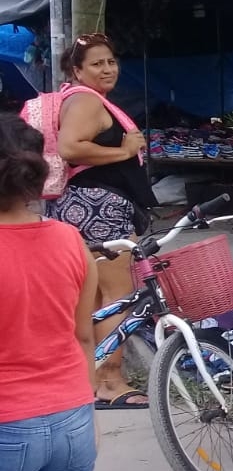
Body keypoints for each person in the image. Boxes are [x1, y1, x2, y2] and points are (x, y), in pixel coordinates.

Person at [0, 113, 122, 471]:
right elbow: (82, 335)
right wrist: (84, 408)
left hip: (6, 424)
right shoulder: (70, 241)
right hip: (69, 419)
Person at [46, 33, 156, 410]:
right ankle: (110, 380)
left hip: (83, 205)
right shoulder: (84, 101)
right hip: (98, 207)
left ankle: (93, 378)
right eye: (96, 63)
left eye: (110, 61)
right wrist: (123, 150)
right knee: (115, 294)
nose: (107, 69)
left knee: (93, 297)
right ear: (77, 71)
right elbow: (70, 147)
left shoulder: (82, 98)